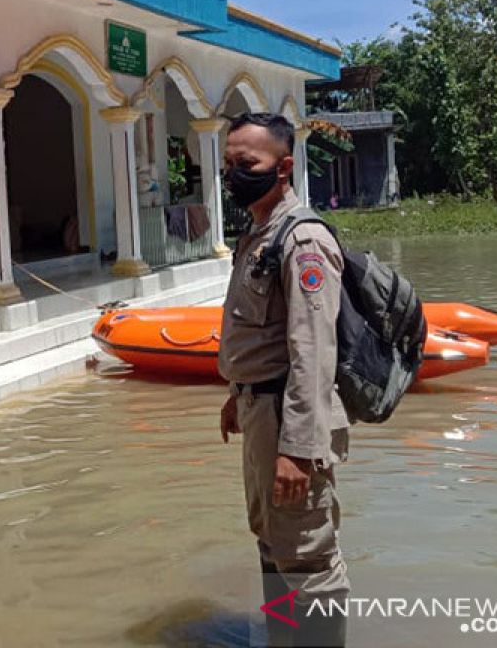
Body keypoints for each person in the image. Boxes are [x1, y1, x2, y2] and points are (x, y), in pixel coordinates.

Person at [218, 113, 349, 647]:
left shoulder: (303, 241)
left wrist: (298, 449)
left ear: (284, 167)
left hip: (290, 421)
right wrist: (237, 395)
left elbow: (313, 351)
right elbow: (263, 334)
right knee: (271, 542)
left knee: (308, 557)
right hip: (259, 411)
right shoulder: (258, 234)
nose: (233, 174)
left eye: (247, 164)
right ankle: (283, 641)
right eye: (228, 164)